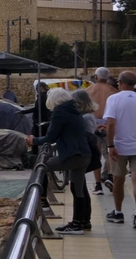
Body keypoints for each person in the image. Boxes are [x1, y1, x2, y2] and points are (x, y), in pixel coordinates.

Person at [28, 87, 92, 234]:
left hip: (71, 156)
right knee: (78, 189)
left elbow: (51, 137)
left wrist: (34, 140)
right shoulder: (73, 110)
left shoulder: (60, 112)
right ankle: (81, 222)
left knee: (41, 166)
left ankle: (41, 201)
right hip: (84, 155)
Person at [104, 70, 136, 230]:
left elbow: (110, 124)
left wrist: (110, 145)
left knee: (118, 179)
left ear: (120, 83)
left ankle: (118, 212)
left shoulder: (113, 99)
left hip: (119, 146)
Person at [87, 68, 116, 188]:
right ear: (108, 77)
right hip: (108, 122)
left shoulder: (87, 91)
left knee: (96, 155)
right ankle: (110, 176)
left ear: (95, 77)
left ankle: (98, 184)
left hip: (93, 123)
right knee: (111, 151)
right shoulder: (114, 91)